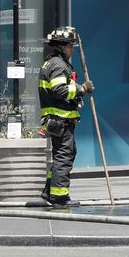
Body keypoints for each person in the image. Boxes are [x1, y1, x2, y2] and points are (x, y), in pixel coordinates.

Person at [38, 26, 94, 206]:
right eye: (70, 46)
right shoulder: (58, 65)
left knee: (63, 154)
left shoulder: (52, 62)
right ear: (62, 47)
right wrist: (82, 89)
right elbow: (60, 90)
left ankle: (49, 191)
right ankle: (59, 197)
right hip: (60, 120)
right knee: (64, 155)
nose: (72, 49)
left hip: (56, 120)